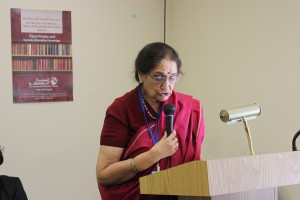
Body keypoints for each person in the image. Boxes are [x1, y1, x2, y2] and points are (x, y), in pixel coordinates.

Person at [96, 42, 205, 200]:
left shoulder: (187, 108)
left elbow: (192, 159)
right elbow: (104, 174)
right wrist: (154, 155)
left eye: (172, 78)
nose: (166, 86)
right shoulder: (122, 108)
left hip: (180, 193)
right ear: (141, 75)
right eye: (158, 77)